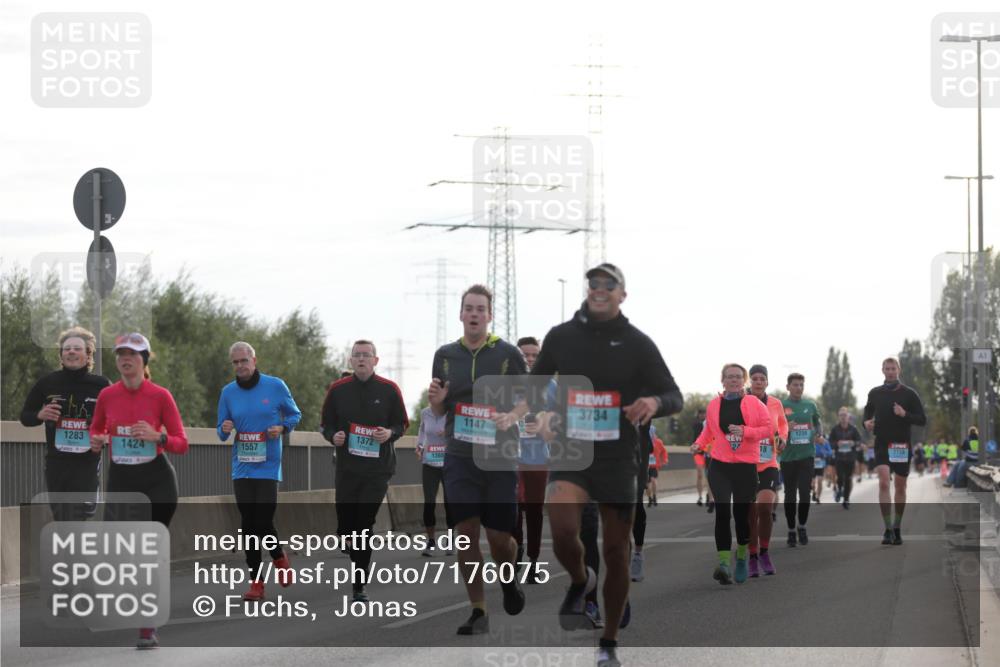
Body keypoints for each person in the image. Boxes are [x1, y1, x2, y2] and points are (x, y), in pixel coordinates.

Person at [532, 263, 682, 667]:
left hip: (618, 455)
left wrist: (654, 402)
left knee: (616, 550)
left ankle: (609, 642)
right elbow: (533, 387)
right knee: (562, 527)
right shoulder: (562, 336)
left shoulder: (638, 343)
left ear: (622, 295)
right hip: (572, 449)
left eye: (608, 285)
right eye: (594, 283)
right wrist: (541, 415)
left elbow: (674, 395)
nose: (599, 289)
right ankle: (582, 581)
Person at [428, 285, 527, 635]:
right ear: (460, 314)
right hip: (459, 455)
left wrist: (511, 417)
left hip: (499, 455)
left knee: (499, 538)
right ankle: (478, 610)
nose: (473, 314)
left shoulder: (507, 354)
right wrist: (437, 400)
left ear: (489, 315)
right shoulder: (444, 355)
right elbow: (439, 408)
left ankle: (508, 577)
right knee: (465, 535)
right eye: (468, 308)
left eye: (480, 309)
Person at [89, 333, 188, 649]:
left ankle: (147, 628)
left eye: (132, 353)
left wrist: (157, 437)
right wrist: (97, 439)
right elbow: (97, 427)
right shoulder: (107, 395)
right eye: (120, 353)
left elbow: (181, 443)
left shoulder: (160, 396)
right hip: (122, 481)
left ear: (144, 360)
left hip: (157, 483)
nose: (124, 359)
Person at [321, 340, 408, 601]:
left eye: (366, 355)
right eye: (356, 355)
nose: (361, 359)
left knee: (364, 525)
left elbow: (402, 423)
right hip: (347, 468)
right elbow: (325, 424)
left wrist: (389, 433)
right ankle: (346, 537)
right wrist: (332, 436)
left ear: (375, 360)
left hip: (377, 469)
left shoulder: (389, 389)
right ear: (350, 360)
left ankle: (359, 584)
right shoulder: (337, 390)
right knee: (347, 523)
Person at [217, 341, 302, 601]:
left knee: (263, 521)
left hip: (267, 465)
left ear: (254, 361)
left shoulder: (275, 386)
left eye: (244, 361)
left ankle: (279, 558)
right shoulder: (228, 392)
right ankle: (256, 584)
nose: (240, 366)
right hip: (242, 467)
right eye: (236, 362)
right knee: (248, 526)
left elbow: (294, 415)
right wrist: (226, 427)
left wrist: (282, 429)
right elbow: (221, 431)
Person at [19, 327, 111, 520]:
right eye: (66, 348)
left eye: (77, 348)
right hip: (57, 462)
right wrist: (41, 414)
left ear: (88, 354)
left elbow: (116, 420)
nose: (71, 351)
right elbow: (25, 417)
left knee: (79, 513)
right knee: (62, 516)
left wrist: (104, 435)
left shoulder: (101, 385)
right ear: (61, 355)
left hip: (87, 462)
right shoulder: (47, 383)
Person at [692, 363, 771, 584]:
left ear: (743, 380)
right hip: (720, 465)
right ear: (723, 380)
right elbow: (709, 431)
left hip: (745, 466)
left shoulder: (754, 403)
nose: (734, 380)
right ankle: (724, 563)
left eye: (738, 377)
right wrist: (698, 444)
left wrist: (746, 432)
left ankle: (742, 557)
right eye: (730, 377)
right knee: (723, 512)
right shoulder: (714, 404)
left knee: (741, 516)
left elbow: (768, 429)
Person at [862, 357, 926, 545]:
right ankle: (887, 528)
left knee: (900, 486)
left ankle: (897, 528)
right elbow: (867, 413)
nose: (890, 371)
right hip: (881, 443)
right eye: (887, 368)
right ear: (882, 370)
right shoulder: (875, 393)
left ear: (899, 369)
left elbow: (922, 419)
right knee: (883, 483)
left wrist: (904, 414)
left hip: (901, 445)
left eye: (893, 368)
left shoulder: (909, 394)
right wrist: (866, 423)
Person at [745, 365, 787, 578]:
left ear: (767, 382)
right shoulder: (741, 402)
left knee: (764, 506)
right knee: (750, 513)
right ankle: (752, 555)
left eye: (762, 378)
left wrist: (783, 439)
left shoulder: (776, 403)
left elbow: (783, 426)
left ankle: (764, 552)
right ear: (749, 382)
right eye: (755, 379)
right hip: (745, 464)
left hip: (768, 462)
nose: (758, 382)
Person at [514, 336, 548, 584]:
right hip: (510, 458)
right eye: (525, 355)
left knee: (535, 511)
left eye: (535, 355)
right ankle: (516, 554)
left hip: (538, 459)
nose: (530, 359)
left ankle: (534, 561)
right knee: (512, 510)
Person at [779, 373, 823, 547]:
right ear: (788, 387)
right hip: (788, 457)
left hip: (807, 456)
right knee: (790, 495)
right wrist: (784, 428)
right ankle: (791, 530)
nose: (798, 388)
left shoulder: (810, 405)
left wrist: (819, 434)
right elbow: (773, 428)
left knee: (804, 494)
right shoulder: (782, 406)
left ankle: (802, 526)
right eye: (795, 385)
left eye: (801, 385)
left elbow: (818, 422)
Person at [415, 404, 452, 556]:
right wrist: (419, 446)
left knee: (450, 502)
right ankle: (431, 542)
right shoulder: (425, 412)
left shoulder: (452, 412)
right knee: (429, 502)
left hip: (448, 462)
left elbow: (462, 432)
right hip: (429, 462)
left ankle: (450, 541)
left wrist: (449, 432)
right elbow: (422, 431)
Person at [829, 407, 863, 508]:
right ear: (839, 417)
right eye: (841, 415)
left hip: (850, 458)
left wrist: (853, 443)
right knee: (840, 477)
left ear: (848, 417)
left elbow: (859, 441)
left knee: (848, 478)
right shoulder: (835, 429)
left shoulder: (853, 429)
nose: (843, 417)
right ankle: (839, 489)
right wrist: (836, 444)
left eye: (845, 415)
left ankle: (846, 499)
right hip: (839, 458)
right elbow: (830, 443)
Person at [645, 426, 668, 507]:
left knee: (653, 480)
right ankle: (650, 498)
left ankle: (654, 496)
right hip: (646, 466)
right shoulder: (643, 442)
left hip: (654, 466)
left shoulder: (658, 442)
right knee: (647, 484)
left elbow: (664, 451)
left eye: (652, 432)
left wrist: (664, 460)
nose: (651, 434)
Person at [812, 436, 833, 504]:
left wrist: (825, 452)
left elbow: (830, 452)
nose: (820, 440)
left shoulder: (825, 443)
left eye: (821, 439)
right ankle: (814, 492)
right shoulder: (811, 443)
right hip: (812, 464)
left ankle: (818, 497)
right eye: (818, 438)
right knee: (813, 483)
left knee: (820, 481)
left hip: (821, 464)